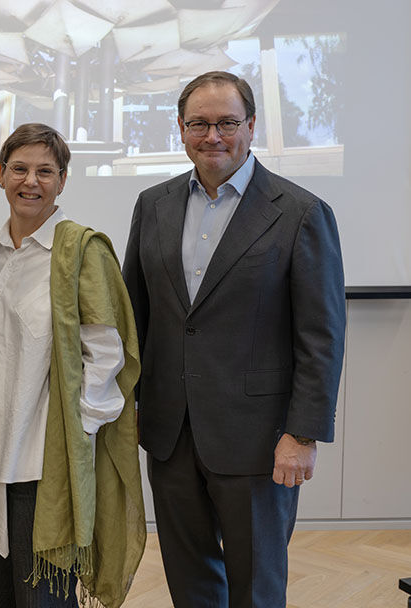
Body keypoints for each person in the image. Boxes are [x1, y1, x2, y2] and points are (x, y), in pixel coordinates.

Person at [122, 71, 346, 608]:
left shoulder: (300, 213)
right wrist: (125, 407)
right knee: (189, 577)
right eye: (198, 123)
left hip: (259, 440)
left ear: (251, 125)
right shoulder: (153, 204)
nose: (213, 135)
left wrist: (303, 434)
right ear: (180, 128)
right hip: (171, 432)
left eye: (226, 122)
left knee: (255, 585)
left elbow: (321, 336)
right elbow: (135, 318)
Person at [0, 123, 145, 608]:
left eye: (45, 171)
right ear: (0, 175)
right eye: (19, 169)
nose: (30, 181)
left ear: (62, 180)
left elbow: (105, 356)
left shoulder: (81, 252)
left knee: (42, 597)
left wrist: (81, 434)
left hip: (43, 455)